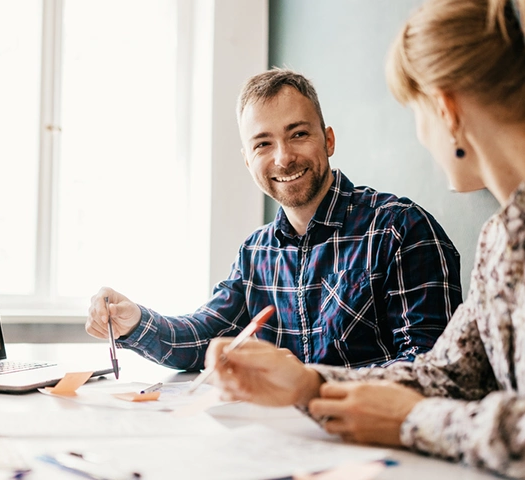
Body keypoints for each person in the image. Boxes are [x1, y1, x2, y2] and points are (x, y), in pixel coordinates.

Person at [206, 1, 525, 478]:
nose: (422, 137)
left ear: (445, 109)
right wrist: (308, 383)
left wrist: (412, 419)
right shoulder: (503, 237)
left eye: (417, 113)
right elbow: (450, 373)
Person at [86, 68, 463, 371]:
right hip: (278, 447)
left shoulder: (401, 229)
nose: (283, 158)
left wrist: (310, 382)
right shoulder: (256, 253)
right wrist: (134, 322)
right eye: (263, 143)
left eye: (298, 134)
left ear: (328, 140)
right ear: (248, 160)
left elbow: (431, 367)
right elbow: (201, 339)